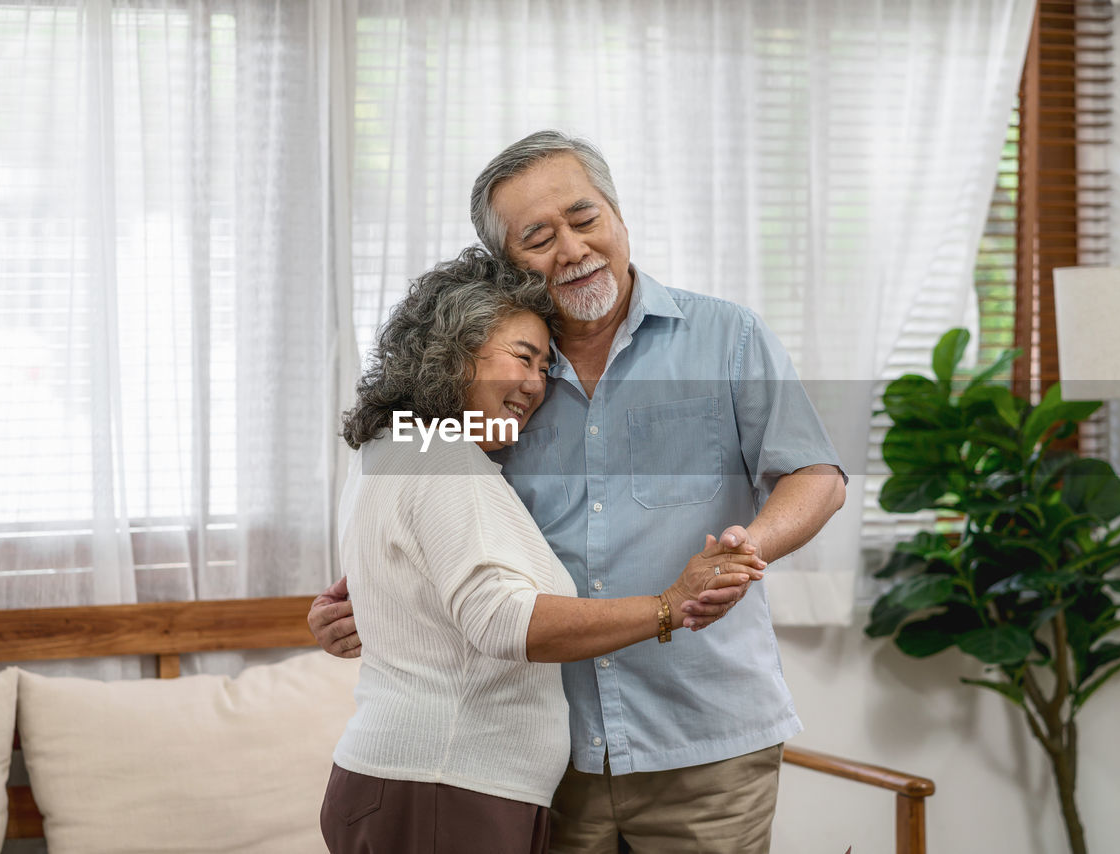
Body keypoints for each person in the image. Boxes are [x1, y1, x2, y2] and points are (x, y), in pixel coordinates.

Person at [311, 132, 847, 853]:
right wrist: (376, 601)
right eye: (538, 237)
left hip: (705, 742)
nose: (571, 248)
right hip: (553, 758)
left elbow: (816, 474)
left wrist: (754, 543)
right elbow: (431, 511)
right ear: (509, 263)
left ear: (619, 216)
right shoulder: (493, 382)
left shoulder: (728, 337)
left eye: (584, 218)